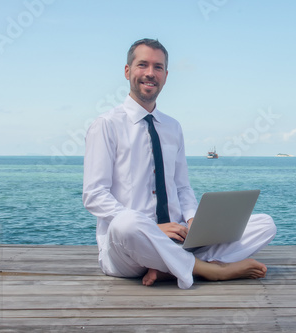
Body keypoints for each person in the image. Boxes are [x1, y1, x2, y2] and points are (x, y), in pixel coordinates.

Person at [82, 38, 277, 289]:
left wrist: (195, 220)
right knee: (126, 223)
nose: (150, 73)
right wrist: (153, 230)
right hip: (128, 248)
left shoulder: (172, 127)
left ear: (166, 75)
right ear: (127, 71)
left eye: (158, 67)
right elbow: (94, 194)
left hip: (178, 238)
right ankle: (209, 269)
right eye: (143, 65)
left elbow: (182, 187)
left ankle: (171, 268)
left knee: (264, 224)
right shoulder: (106, 125)